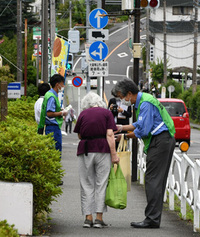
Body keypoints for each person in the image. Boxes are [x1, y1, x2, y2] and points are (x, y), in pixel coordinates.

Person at [111, 78, 176, 229]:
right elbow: (139, 124)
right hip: (163, 140)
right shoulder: (144, 100)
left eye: (122, 97)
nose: (122, 101)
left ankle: (152, 219)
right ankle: (153, 217)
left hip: (160, 141)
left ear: (129, 93)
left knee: (152, 179)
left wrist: (125, 135)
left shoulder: (145, 103)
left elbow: (143, 130)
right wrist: (122, 128)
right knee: (156, 180)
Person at [73, 92, 120, 229]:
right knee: (101, 183)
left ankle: (88, 218)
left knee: (86, 184)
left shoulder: (83, 114)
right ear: (100, 102)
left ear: (86, 104)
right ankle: (99, 218)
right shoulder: (106, 113)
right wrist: (114, 155)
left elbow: (80, 135)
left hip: (86, 149)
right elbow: (110, 134)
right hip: (103, 149)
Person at [38, 74, 68, 153]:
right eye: (62, 84)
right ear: (57, 84)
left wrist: (59, 110)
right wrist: (62, 113)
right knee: (55, 151)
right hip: (53, 127)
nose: (63, 86)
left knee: (52, 150)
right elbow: (49, 113)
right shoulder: (52, 96)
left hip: (50, 127)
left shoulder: (49, 94)